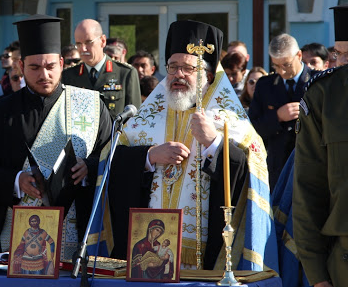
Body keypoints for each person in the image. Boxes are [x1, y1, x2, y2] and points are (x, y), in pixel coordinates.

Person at [109, 20, 275, 271]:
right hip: (146, 253)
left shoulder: (230, 119)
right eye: (172, 67)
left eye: (188, 68)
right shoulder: (147, 116)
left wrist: (214, 144)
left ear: (208, 76)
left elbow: (253, 163)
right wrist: (149, 155)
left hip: (206, 252)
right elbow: (114, 158)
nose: (177, 75)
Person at [0, 15, 113, 260]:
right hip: (15, 230)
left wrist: (89, 167)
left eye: (50, 66)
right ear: (21, 66)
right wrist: (15, 179)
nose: (43, 74)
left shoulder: (89, 104)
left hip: (77, 229)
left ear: (61, 62)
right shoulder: (0, 112)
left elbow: (110, 152)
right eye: (34, 68)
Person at [293, 5, 348, 287]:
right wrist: (317, 275)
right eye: (339, 55)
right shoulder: (324, 96)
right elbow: (308, 188)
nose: (342, 64)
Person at [248, 33, 313, 190]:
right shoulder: (265, 85)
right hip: (276, 167)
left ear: (299, 55)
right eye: (276, 66)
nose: (282, 71)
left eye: (286, 65)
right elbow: (252, 128)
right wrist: (277, 117)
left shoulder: (317, 81)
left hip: (309, 165)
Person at [62, 19, 141, 118]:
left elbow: (134, 118)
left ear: (103, 41)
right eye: (78, 44)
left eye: (88, 42)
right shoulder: (68, 75)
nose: (83, 49)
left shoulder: (125, 73)